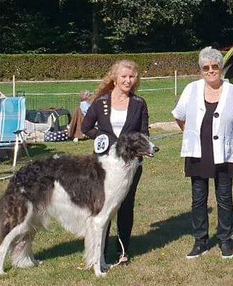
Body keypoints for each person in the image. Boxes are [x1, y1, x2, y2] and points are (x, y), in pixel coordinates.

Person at [172, 47, 233, 259]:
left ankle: (225, 239)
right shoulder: (191, 89)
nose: (211, 71)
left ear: (221, 68)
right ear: (200, 70)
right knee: (198, 199)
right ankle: (200, 241)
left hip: (224, 153)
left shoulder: (232, 91)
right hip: (198, 153)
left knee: (224, 197)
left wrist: (229, 137)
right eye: (206, 68)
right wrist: (190, 134)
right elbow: (179, 116)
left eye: (215, 67)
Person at [81, 59, 149, 264]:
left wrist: (134, 149)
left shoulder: (139, 103)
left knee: (125, 205)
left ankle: (123, 251)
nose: (128, 80)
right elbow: (86, 127)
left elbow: (144, 133)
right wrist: (103, 139)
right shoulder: (101, 102)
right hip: (103, 165)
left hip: (129, 165)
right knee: (103, 206)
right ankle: (100, 251)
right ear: (115, 78)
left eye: (132, 77)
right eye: (124, 77)